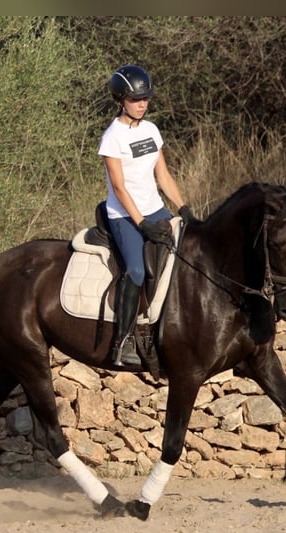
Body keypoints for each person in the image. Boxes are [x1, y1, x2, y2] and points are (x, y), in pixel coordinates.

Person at [98, 64, 199, 367]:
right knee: (138, 271)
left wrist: (183, 209)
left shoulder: (152, 130)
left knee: (186, 255)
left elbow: (163, 175)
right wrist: (142, 224)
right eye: (135, 99)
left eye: (146, 99)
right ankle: (123, 341)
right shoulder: (112, 138)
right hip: (124, 215)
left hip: (156, 208)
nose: (142, 104)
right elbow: (119, 187)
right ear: (121, 100)